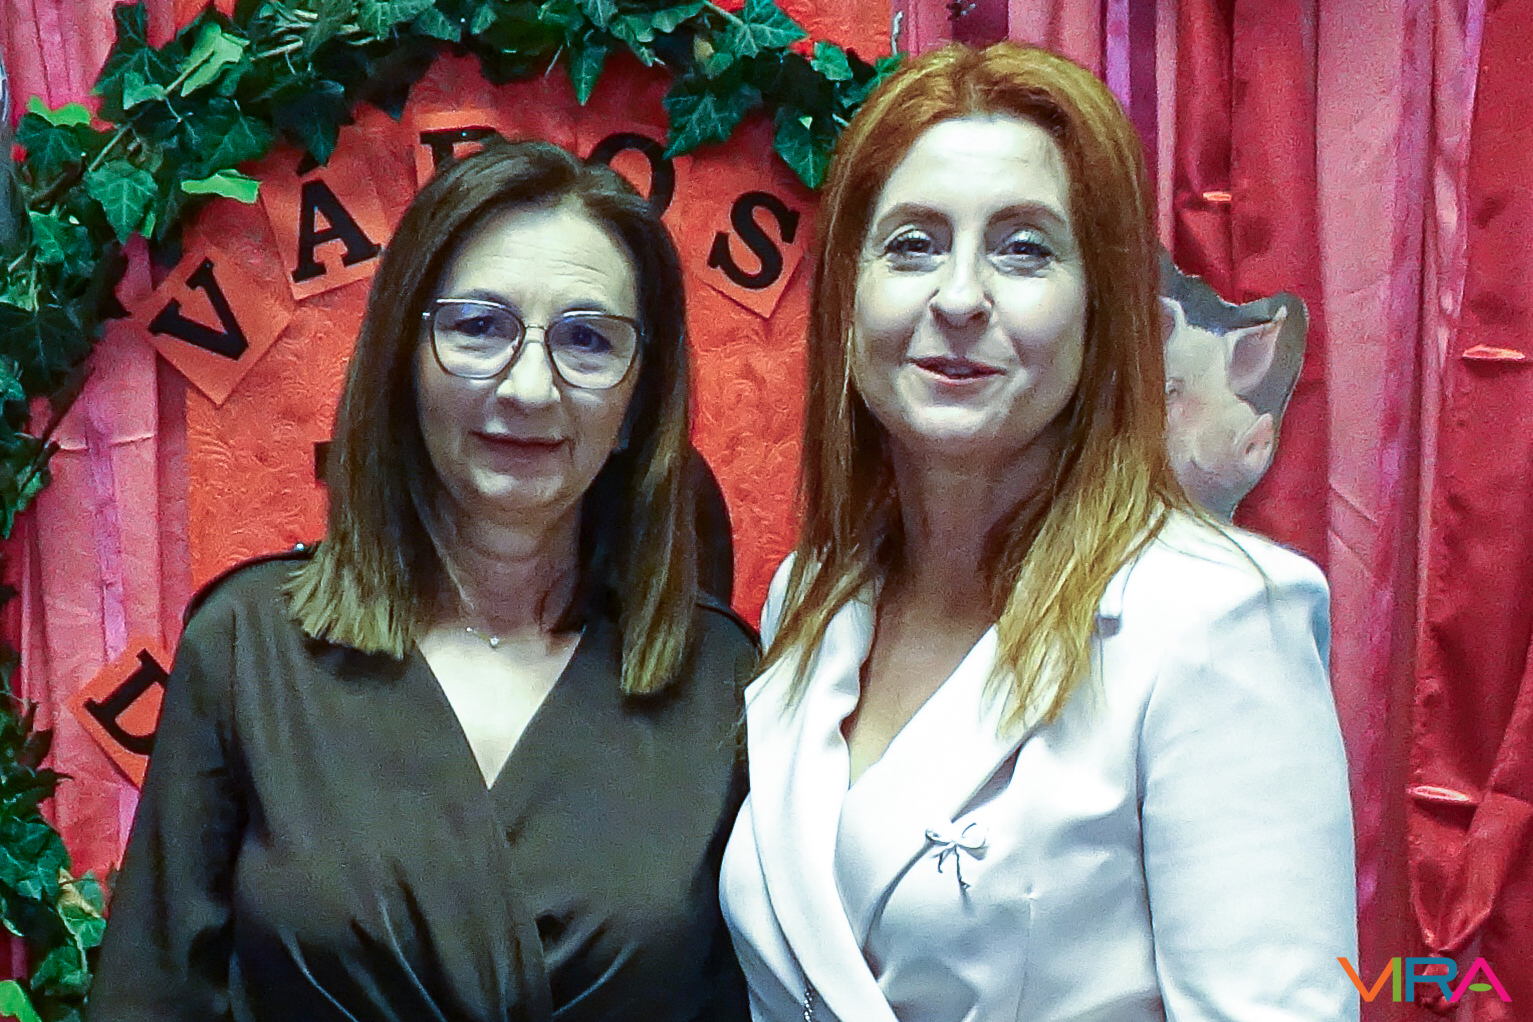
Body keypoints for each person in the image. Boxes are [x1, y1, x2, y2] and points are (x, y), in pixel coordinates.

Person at [720, 42, 1357, 1022]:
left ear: (1103, 309)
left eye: (1023, 248)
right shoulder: (808, 593)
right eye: (912, 244)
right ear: (846, 296)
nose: (959, 297)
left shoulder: (1220, 617)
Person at [89, 138, 754, 1022]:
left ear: (639, 399)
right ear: (404, 358)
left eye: (588, 340)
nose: (529, 388)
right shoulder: (248, 648)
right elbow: (148, 1000)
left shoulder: (725, 682)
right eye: (477, 326)